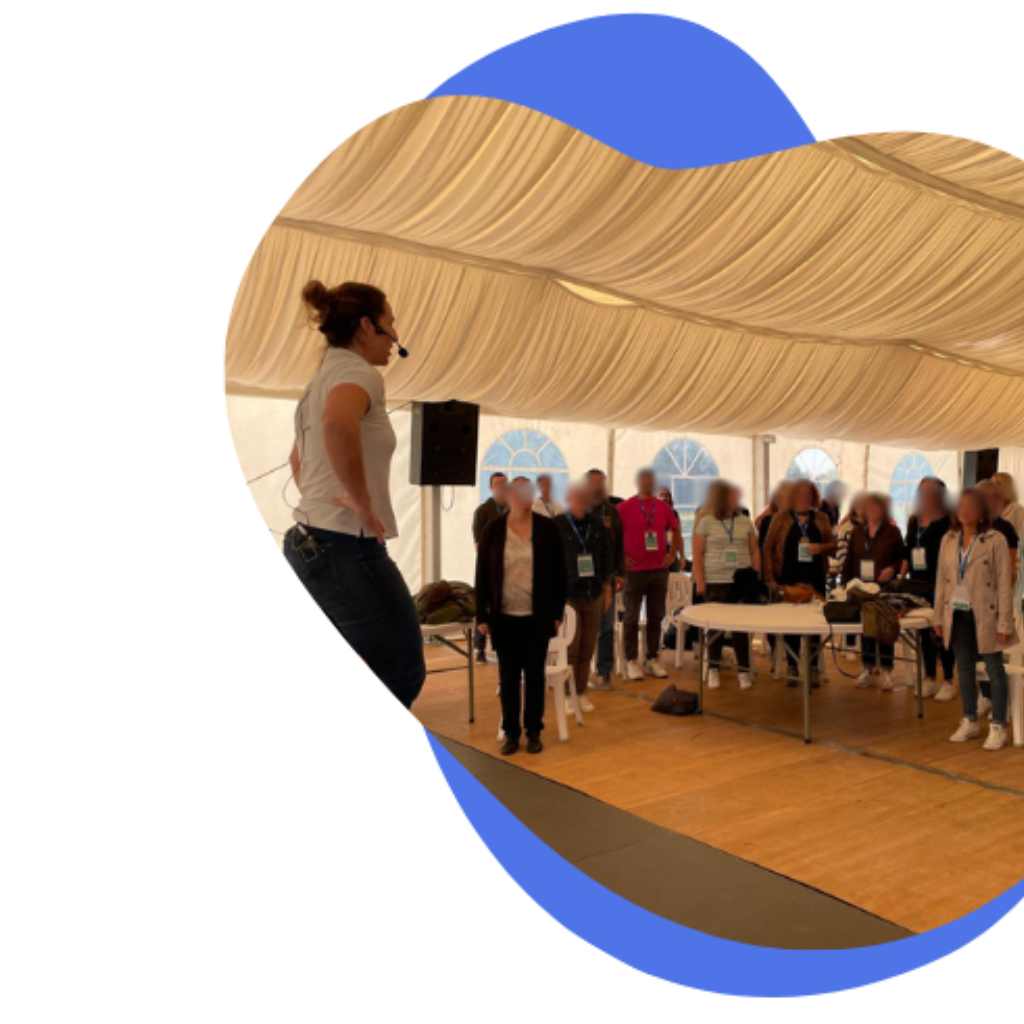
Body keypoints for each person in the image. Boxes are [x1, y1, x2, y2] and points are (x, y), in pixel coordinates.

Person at [283, 280, 425, 709]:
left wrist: (325, 501)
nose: (395, 336)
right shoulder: (359, 372)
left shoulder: (319, 379)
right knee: (402, 671)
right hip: (345, 547)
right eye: (390, 323)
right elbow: (336, 423)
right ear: (367, 325)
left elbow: (297, 459)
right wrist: (361, 504)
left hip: (308, 542)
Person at [476, 478, 567, 756]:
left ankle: (534, 731)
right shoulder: (493, 530)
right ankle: (511, 733)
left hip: (537, 617)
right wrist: (482, 615)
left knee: (535, 676)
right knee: (508, 678)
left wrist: (557, 613)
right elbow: (481, 574)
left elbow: (560, 573)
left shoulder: (548, 529)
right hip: (504, 617)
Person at [934, 488, 1017, 751]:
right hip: (957, 612)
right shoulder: (949, 540)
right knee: (964, 667)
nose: (965, 510)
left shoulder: (995, 540)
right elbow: (941, 581)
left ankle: (998, 725)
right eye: (961, 505)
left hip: (985, 612)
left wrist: (1005, 621)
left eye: (971, 505)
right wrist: (938, 616)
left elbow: (1004, 584)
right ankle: (969, 719)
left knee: (994, 669)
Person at [764, 479, 837, 683]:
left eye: (807, 494)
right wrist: (770, 579)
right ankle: (792, 666)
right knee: (791, 624)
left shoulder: (821, 518)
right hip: (788, 579)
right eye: (799, 493)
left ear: (813, 497)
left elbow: (833, 546)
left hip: (815, 579)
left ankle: (813, 667)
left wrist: (820, 548)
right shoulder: (780, 518)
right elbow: (768, 549)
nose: (803, 497)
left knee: (814, 624)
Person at [692, 480, 761, 690]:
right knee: (715, 628)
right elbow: (697, 554)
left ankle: (744, 671)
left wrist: (755, 575)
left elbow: (754, 550)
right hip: (715, 581)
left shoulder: (745, 522)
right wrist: (700, 581)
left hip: (740, 582)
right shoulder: (706, 522)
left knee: (740, 628)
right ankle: (713, 669)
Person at [556, 482, 615, 713]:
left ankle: (580, 692)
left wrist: (607, 591)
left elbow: (606, 558)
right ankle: (568, 694)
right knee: (572, 647)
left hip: (594, 592)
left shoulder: (597, 524)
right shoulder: (558, 524)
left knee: (587, 647)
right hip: (569, 594)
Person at [617, 468, 681, 680]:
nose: (648, 482)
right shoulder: (624, 507)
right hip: (634, 572)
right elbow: (611, 535)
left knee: (656, 617)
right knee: (631, 618)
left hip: (658, 570)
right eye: (644, 479)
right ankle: (631, 659)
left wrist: (672, 553)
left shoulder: (663, 507)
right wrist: (621, 557)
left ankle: (652, 658)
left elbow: (676, 529)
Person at [842, 493, 907, 691]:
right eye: (868, 507)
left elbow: (902, 558)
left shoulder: (893, 532)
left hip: (883, 588)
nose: (871, 510)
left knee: (884, 627)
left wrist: (893, 570)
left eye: (875, 507)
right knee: (866, 628)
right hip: (862, 588)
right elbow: (849, 560)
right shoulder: (857, 533)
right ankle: (867, 668)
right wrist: (844, 585)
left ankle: (886, 670)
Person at [905, 478, 956, 700]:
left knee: (942, 632)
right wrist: (901, 576)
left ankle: (949, 679)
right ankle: (930, 677)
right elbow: (908, 549)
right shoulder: (914, 520)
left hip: (941, 584)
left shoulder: (949, 522)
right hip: (918, 583)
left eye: (925, 491)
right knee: (924, 631)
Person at [586, 469, 625, 690]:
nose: (599, 487)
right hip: (583, 579)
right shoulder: (579, 509)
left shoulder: (611, 511)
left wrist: (620, 572)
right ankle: (579, 672)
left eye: (602, 483)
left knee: (606, 626)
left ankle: (604, 672)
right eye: (595, 483)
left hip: (607, 577)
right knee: (582, 628)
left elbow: (618, 544)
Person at [471, 472, 509, 663]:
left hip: (509, 567)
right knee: (484, 604)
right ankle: (479, 647)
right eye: (498, 484)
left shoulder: (512, 509)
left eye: (504, 483)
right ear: (491, 488)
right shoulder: (483, 511)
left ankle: (502, 645)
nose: (502, 487)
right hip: (489, 566)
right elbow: (478, 542)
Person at [657, 486, 682, 572]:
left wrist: (682, 555)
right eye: (662, 495)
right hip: (656, 554)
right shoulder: (652, 513)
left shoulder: (674, 513)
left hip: (671, 553)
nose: (665, 498)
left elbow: (678, 535)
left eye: (667, 495)